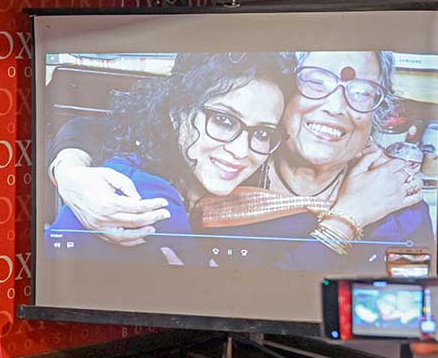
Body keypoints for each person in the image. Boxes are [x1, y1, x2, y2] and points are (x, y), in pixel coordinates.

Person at [49, 51, 431, 271]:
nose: (335, 106)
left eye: (363, 92)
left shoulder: (396, 197)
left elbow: (413, 319)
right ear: (288, 100)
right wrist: (69, 168)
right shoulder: (169, 186)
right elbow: (100, 128)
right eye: (316, 81)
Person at [49, 52, 294, 264]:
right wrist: (68, 168)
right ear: (177, 112)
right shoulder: (146, 200)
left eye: (262, 133)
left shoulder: (161, 169)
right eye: (224, 120)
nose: (241, 151)